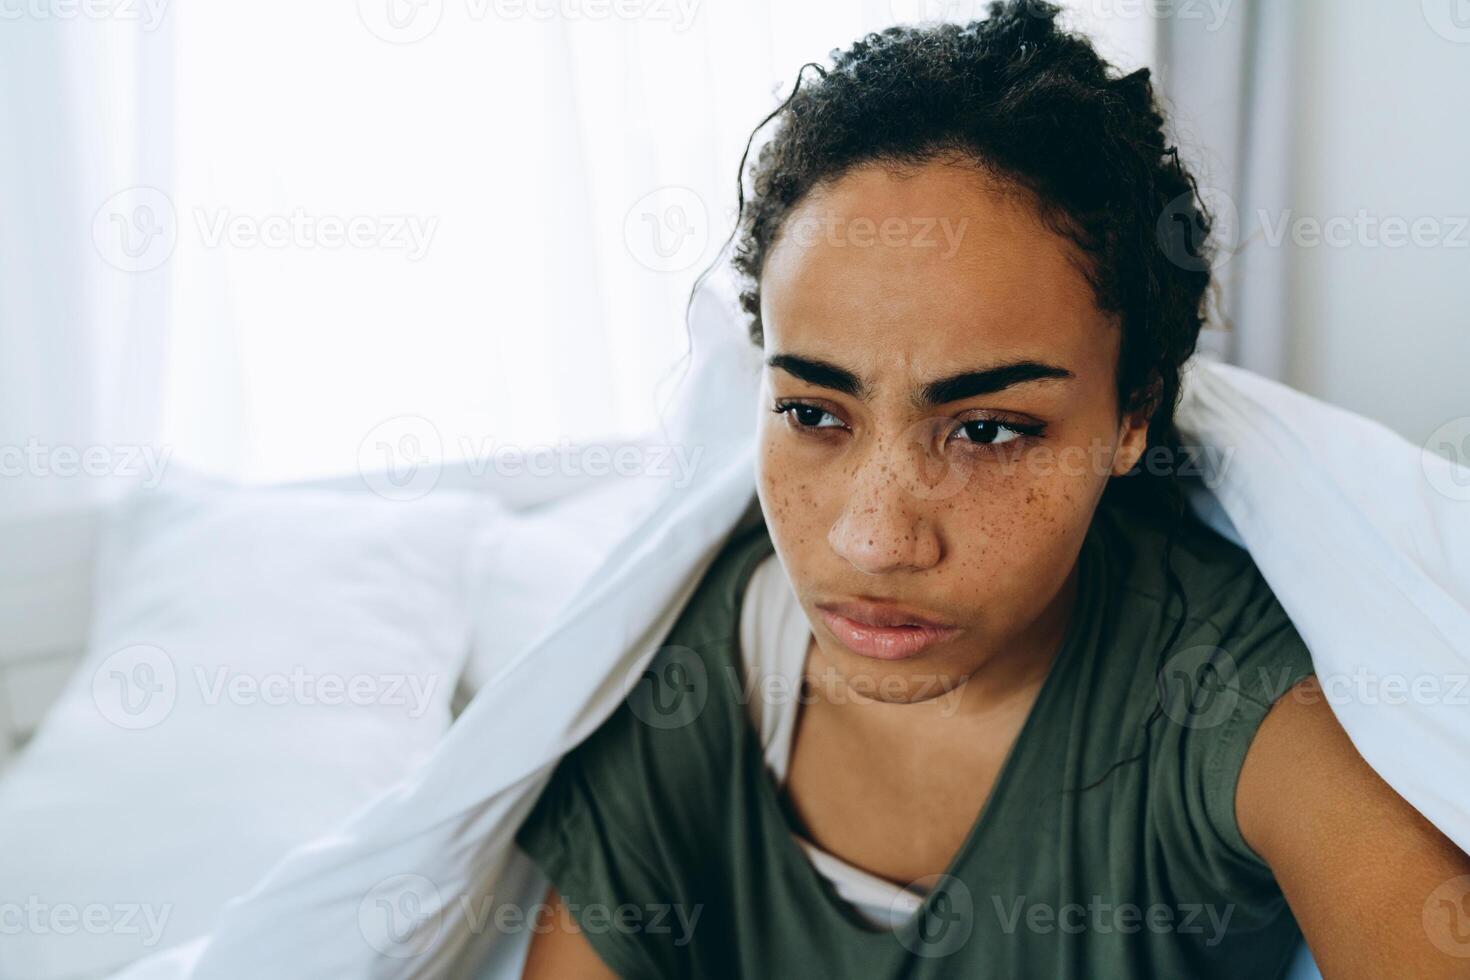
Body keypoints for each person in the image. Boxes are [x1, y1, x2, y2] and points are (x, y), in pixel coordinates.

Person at [514, 3, 1470, 976]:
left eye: (985, 430)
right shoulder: (689, 680)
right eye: (813, 412)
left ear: (1131, 416)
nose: (876, 539)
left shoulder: (1235, 690)